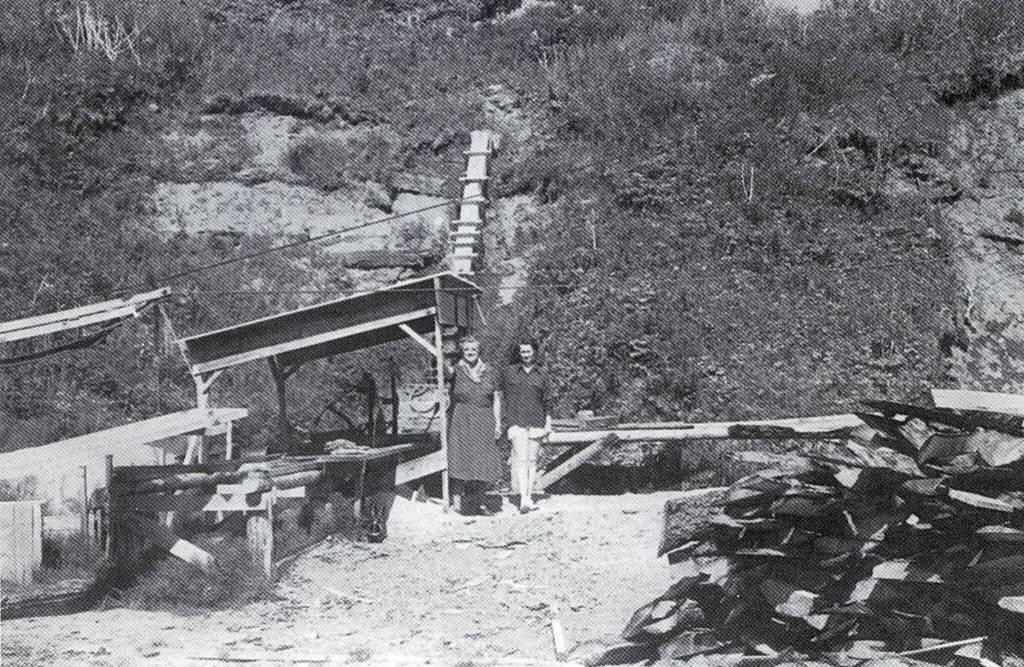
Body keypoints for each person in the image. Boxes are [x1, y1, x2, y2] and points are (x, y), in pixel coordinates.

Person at [445, 336, 503, 515]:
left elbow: (496, 398)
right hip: (462, 417)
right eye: (467, 349)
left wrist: (497, 422)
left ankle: (481, 502)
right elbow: (445, 372)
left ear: (479, 352)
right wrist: (440, 353)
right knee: (460, 456)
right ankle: (457, 502)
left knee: (483, 459)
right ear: (462, 352)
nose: (470, 352)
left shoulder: (490, 371)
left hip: (485, 418)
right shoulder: (456, 370)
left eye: (474, 349)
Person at [498, 338, 553, 514]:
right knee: (521, 460)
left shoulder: (542, 373)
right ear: (518, 353)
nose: (526, 355)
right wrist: (501, 420)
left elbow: (548, 401)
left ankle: (529, 495)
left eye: (529, 351)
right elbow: (499, 396)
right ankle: (523, 499)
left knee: (532, 461)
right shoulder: (509, 372)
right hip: (517, 422)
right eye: (522, 352)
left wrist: (548, 422)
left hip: (537, 421)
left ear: (534, 352)